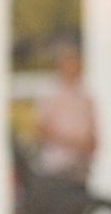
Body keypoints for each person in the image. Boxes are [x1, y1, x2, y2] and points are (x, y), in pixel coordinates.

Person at [33, 45, 97, 183]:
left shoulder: (85, 97)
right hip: (56, 164)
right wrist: (73, 143)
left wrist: (88, 146)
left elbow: (93, 134)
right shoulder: (50, 93)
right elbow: (41, 129)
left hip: (81, 165)